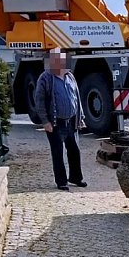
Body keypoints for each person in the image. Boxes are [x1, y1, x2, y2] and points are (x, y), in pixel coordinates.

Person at [34, 50, 87, 191]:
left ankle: (76, 178)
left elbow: (77, 98)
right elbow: (39, 101)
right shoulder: (45, 78)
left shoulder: (70, 76)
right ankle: (61, 181)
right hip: (55, 123)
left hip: (71, 121)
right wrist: (45, 121)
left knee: (74, 151)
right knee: (58, 152)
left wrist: (80, 117)